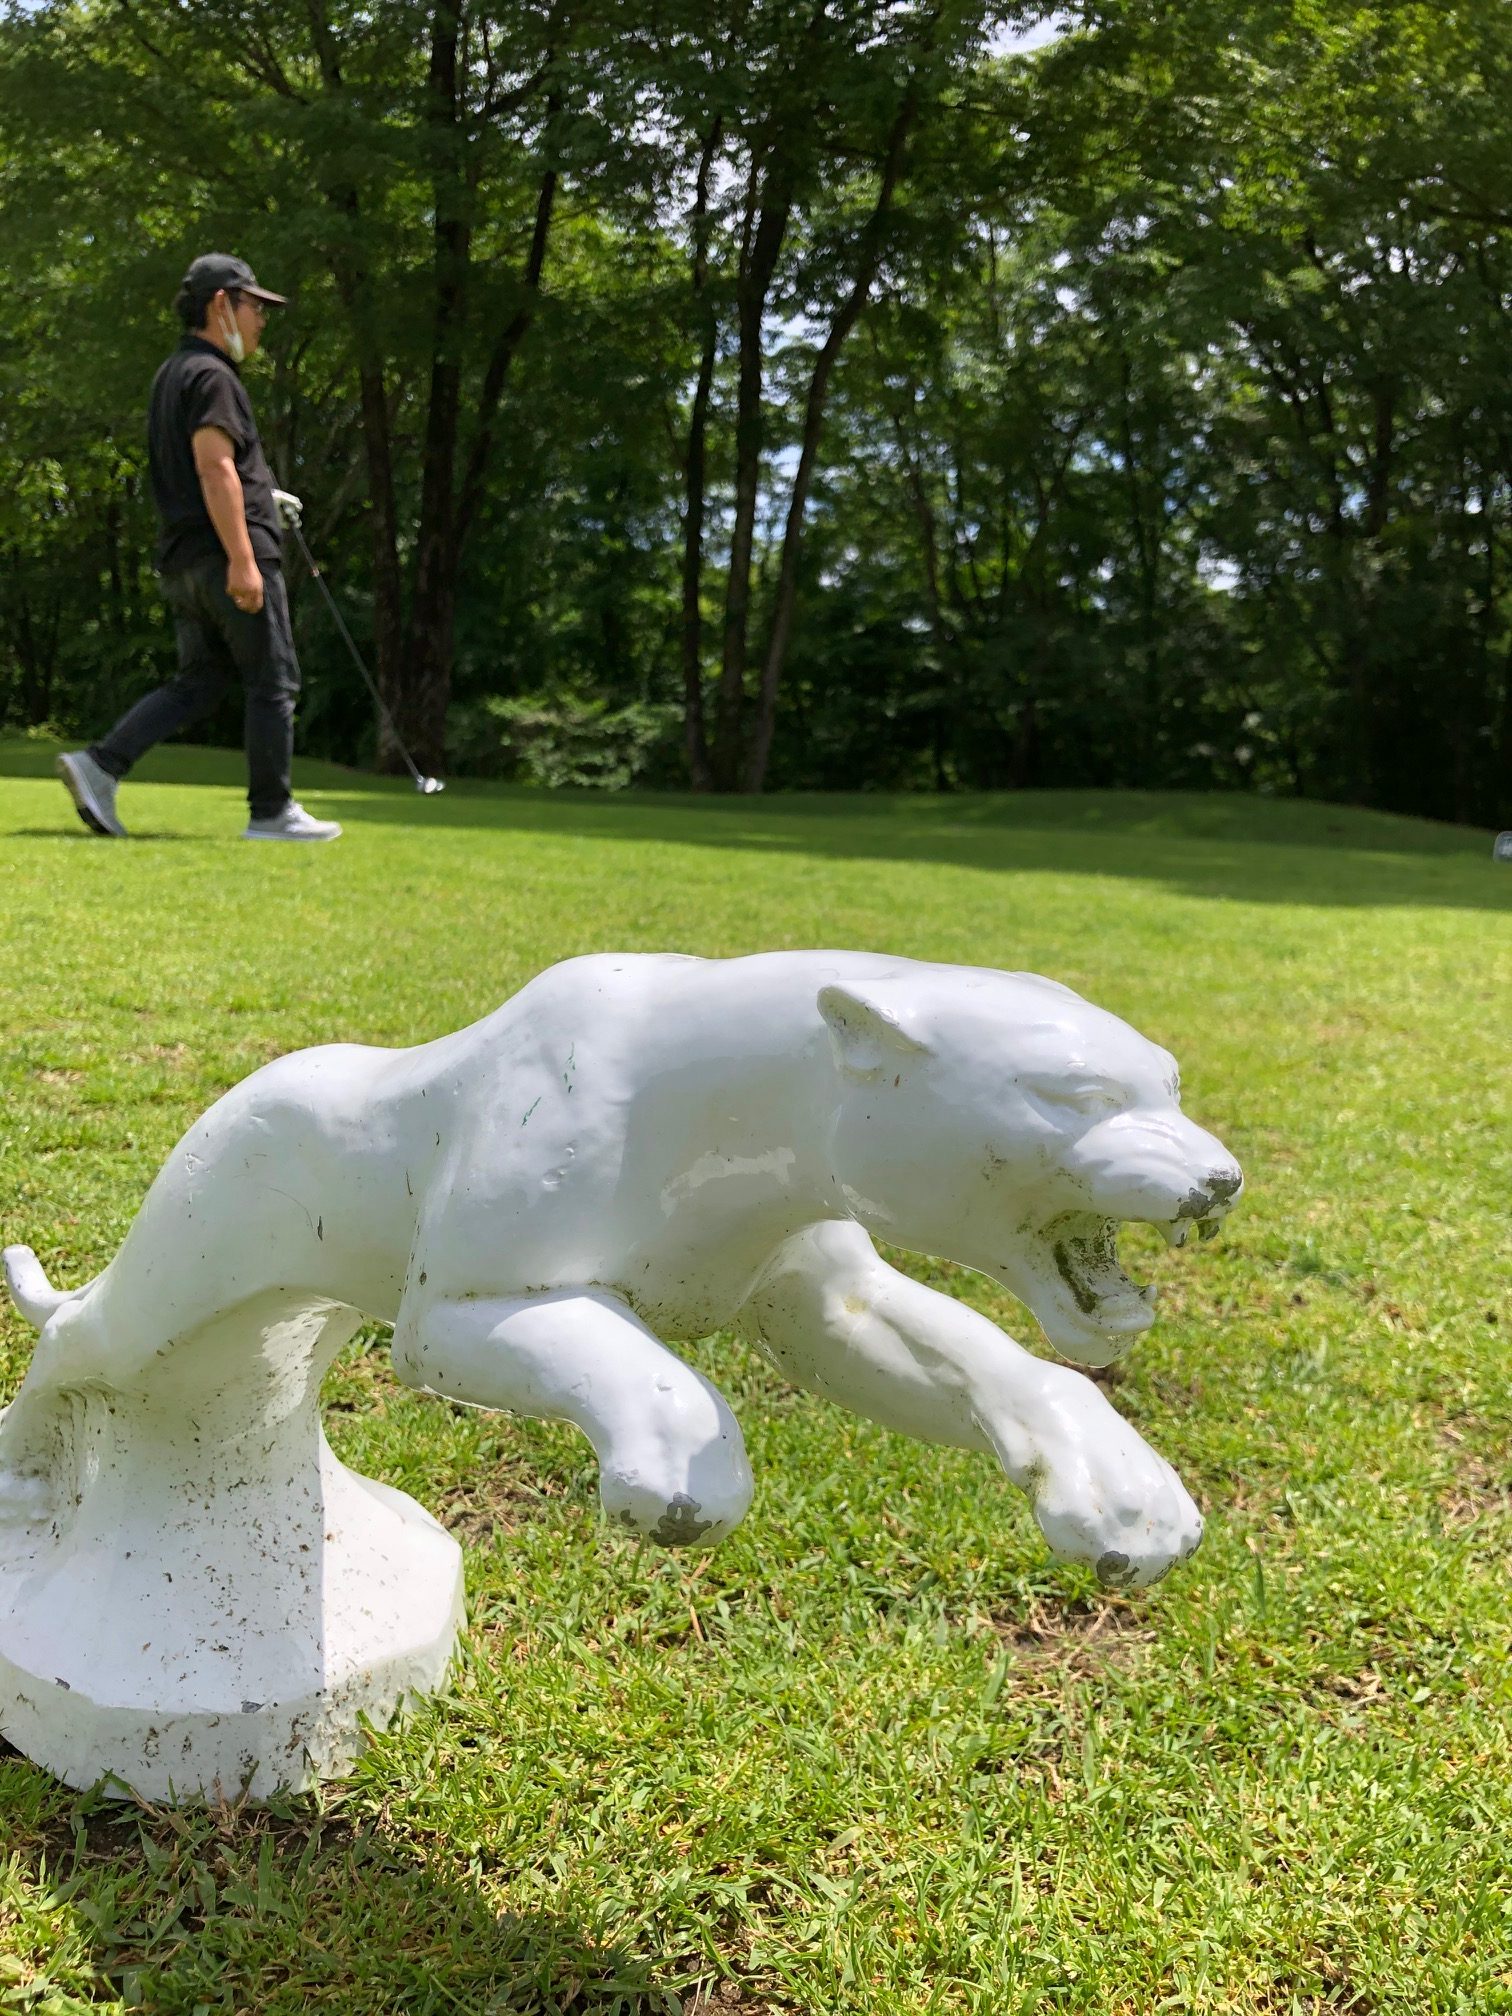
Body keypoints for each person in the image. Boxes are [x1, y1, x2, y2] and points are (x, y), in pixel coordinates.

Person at [57, 253, 341, 843]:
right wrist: (243, 557)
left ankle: (101, 765)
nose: (261, 320)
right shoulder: (215, 377)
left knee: (201, 680)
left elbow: (207, 468)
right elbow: (215, 469)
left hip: (184, 561)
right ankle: (272, 813)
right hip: (224, 558)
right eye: (253, 306)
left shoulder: (174, 374)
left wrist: (264, 492)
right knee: (273, 681)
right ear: (221, 306)